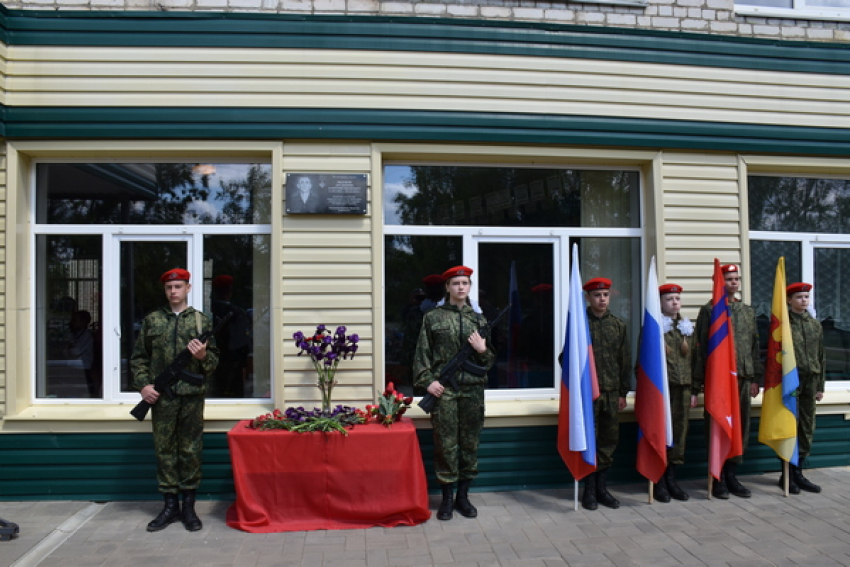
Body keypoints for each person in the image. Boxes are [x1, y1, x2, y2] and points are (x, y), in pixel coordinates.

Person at [131, 268, 219, 532]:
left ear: (188, 289)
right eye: (169, 287)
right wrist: (144, 386)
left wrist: (203, 356)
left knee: (191, 450)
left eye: (178, 287)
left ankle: (189, 508)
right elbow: (138, 359)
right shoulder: (153, 321)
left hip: (191, 398)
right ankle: (170, 507)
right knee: (165, 451)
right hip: (162, 399)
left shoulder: (201, 323)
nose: (173, 292)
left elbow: (214, 363)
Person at [412, 265, 496, 521]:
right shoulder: (433, 317)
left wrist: (483, 350)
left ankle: (463, 496)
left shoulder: (479, 320)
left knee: (469, 444)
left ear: (470, 287)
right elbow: (421, 355)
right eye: (456, 283)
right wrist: (428, 382)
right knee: (445, 445)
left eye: (465, 283)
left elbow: (490, 361)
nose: (461, 287)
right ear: (447, 287)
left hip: (472, 391)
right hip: (445, 392)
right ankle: (447, 498)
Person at [693, 264, 762, 499]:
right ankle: (717, 475)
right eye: (729, 279)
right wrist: (698, 381)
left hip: (743, 378)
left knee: (740, 427)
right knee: (718, 425)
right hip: (719, 381)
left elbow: (754, 346)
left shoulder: (747, 311)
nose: (734, 282)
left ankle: (732, 474)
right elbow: (700, 346)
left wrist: (755, 378)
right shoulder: (710, 310)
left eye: (736, 278)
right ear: (720, 282)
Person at [580, 277, 631, 510]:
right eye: (597, 295)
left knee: (608, 442)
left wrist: (623, 392)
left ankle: (602, 488)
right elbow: (565, 358)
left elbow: (625, 362)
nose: (602, 299)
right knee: (589, 440)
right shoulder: (580, 325)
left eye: (606, 295)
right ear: (588, 298)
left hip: (611, 393)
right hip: (587, 394)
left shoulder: (618, 325)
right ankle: (588, 490)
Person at [655, 283, 696, 502]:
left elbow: (695, 360)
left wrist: (694, 390)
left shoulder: (686, 328)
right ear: (661, 302)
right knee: (663, 432)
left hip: (684, 388)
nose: (674, 303)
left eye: (677, 299)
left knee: (679, 433)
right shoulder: (655, 327)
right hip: (663, 391)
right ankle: (659, 479)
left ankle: (672, 479)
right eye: (669, 299)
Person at [783, 282, 824, 494]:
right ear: (789, 300)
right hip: (792, 381)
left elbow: (821, 356)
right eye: (799, 297)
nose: (803, 301)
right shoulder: (784, 324)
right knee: (790, 424)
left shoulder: (814, 324)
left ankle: (798, 471)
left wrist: (820, 386)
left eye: (806, 297)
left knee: (806, 426)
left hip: (811, 380)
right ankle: (787, 473)